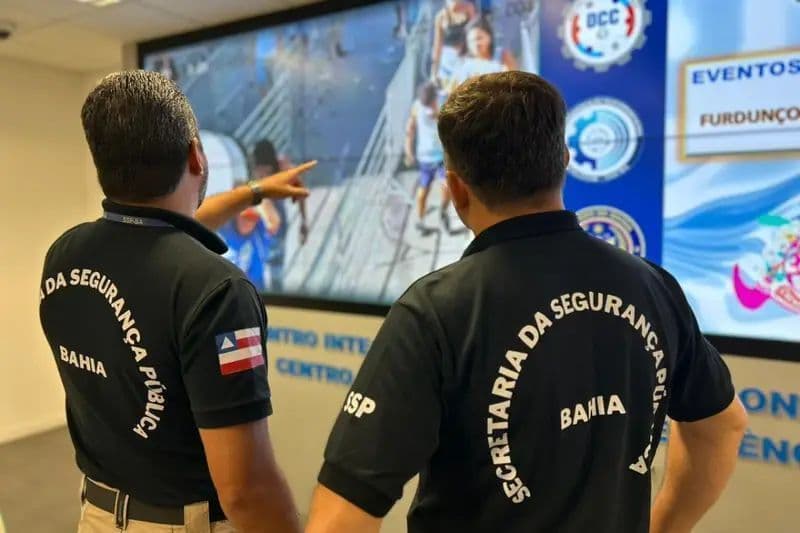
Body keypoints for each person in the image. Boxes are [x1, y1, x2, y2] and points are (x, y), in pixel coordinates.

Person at [305, 72, 747, 533]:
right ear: (565, 162)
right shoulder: (653, 286)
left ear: (455, 189)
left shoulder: (436, 312)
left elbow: (340, 519)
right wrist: (665, 525)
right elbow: (722, 428)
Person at [39, 71, 309, 533]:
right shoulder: (218, 291)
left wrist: (255, 191)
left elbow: (164, 236)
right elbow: (246, 490)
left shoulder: (65, 254)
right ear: (196, 156)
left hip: (97, 515)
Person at [250, 139, 309, 292]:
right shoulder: (252, 168)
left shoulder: (283, 167)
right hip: (258, 219)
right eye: (260, 169)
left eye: (267, 170)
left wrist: (303, 222)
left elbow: (300, 192)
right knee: (257, 269)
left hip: (277, 221)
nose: (263, 173)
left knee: (276, 270)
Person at [404, 81, 451, 232]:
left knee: (447, 187)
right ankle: (421, 219)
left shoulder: (443, 99)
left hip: (442, 156)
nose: (428, 108)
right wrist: (409, 152)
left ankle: (443, 212)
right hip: (425, 157)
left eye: (430, 104)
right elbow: (410, 130)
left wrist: (438, 113)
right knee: (423, 190)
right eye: (426, 105)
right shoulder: (417, 107)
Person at [448, 16, 518, 90]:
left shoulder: (503, 55)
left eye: (479, 38)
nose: (476, 44)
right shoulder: (464, 65)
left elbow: (513, 83)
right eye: (471, 40)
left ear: (489, 37)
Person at [430, 0, 477, 87]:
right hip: (448, 60)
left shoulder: (468, 8)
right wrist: (434, 72)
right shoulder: (440, 17)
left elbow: (475, 32)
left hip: (465, 56)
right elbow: (437, 46)